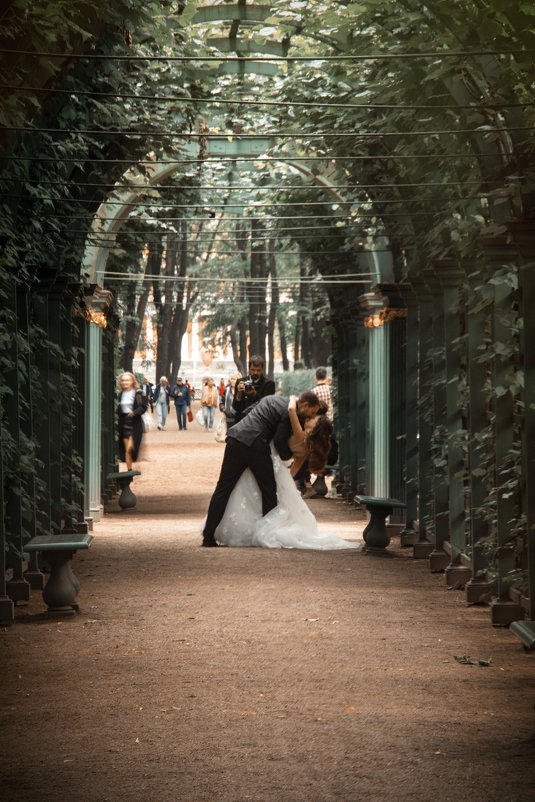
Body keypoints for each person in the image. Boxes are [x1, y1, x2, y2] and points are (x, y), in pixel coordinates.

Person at [201, 392, 357, 550]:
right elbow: (281, 444)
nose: (311, 417)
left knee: (223, 488)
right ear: (304, 405)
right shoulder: (289, 413)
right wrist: (284, 451)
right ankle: (267, 533)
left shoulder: (271, 399)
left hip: (235, 438)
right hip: (255, 444)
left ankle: (208, 535)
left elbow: (246, 412)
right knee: (269, 490)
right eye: (312, 413)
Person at [117, 372, 147, 471]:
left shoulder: (138, 393)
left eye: (127, 380)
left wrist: (134, 412)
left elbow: (143, 407)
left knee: (130, 448)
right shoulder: (120, 394)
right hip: (124, 422)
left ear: (132, 381)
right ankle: (129, 469)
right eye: (123, 380)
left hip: (134, 423)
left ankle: (131, 464)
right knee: (127, 450)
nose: (125, 382)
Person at [233, 354, 275, 422]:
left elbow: (267, 408)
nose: (255, 373)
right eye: (253, 370)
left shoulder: (269, 384)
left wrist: (254, 394)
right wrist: (239, 395)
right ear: (249, 369)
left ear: (262, 369)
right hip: (241, 423)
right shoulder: (240, 382)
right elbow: (235, 407)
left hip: (259, 422)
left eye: (258, 370)